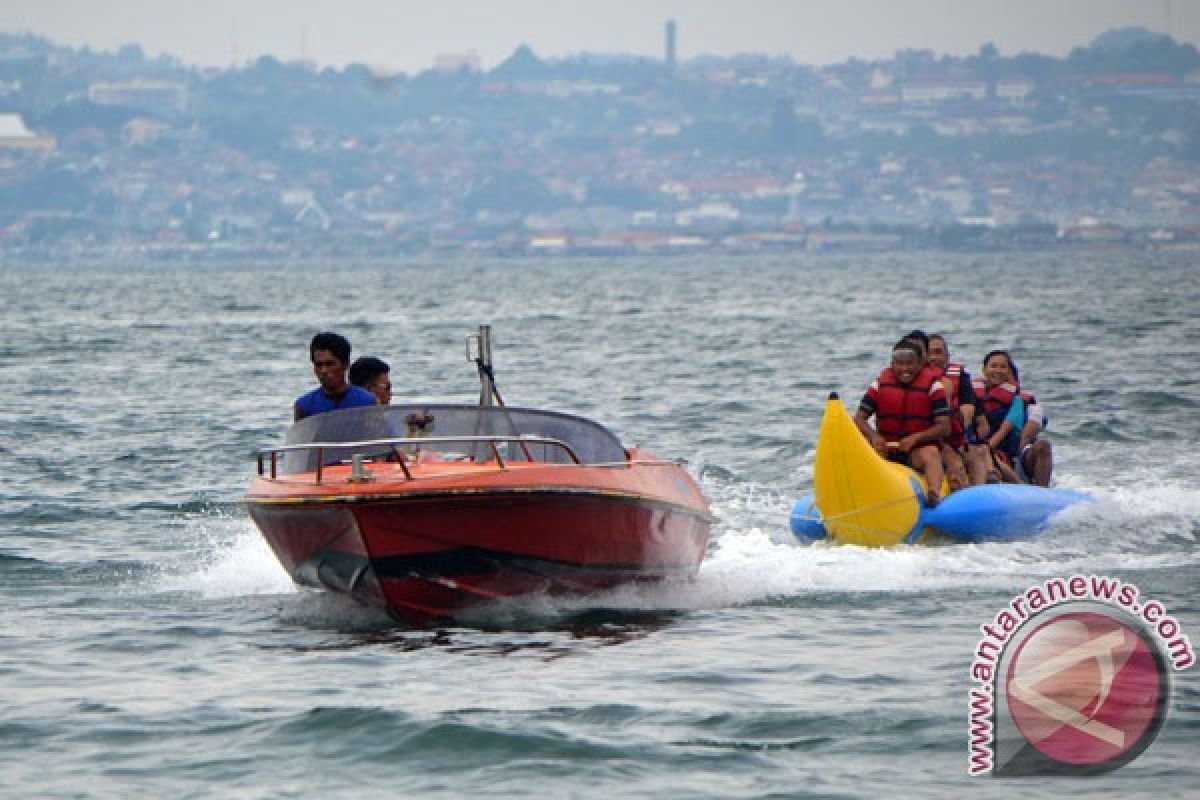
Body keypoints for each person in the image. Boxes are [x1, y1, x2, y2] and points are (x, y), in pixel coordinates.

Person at [854, 338, 952, 507]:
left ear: (920, 364)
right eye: (899, 364)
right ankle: (856, 495)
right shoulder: (879, 385)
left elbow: (944, 427)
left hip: (916, 451)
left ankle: (934, 494)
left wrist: (916, 438)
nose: (904, 369)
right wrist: (874, 436)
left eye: (910, 364)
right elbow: (860, 418)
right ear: (892, 364)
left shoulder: (934, 387)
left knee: (931, 453)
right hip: (886, 448)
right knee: (864, 450)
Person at [972, 350, 1053, 486]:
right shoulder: (970, 394)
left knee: (1043, 446)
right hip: (980, 452)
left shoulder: (1019, 401)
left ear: (1009, 372)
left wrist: (986, 450)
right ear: (984, 370)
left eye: (1003, 367)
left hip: (1013, 456)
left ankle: (1042, 492)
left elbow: (1032, 422)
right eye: (993, 366)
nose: (998, 370)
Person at [927, 334, 990, 487]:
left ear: (947, 356)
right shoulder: (912, 379)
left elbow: (969, 410)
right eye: (929, 353)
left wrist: (955, 429)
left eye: (938, 352)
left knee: (976, 454)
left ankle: (977, 496)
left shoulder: (960, 379)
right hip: (924, 442)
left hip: (953, 438)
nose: (933, 357)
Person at [294, 332, 379, 421]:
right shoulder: (304, 406)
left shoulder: (367, 402)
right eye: (319, 365)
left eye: (330, 364)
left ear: (346, 364)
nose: (324, 371)